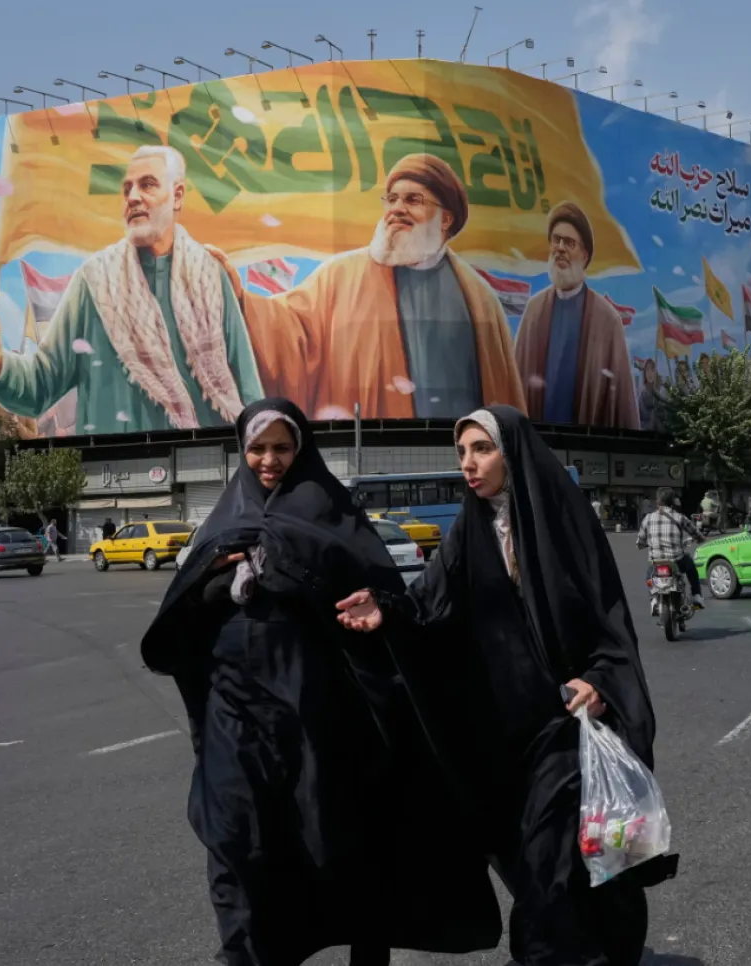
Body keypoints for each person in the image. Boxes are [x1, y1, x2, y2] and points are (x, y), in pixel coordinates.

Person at [140, 398, 500, 966]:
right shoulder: (222, 519)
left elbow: (385, 600)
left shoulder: (333, 513)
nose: (269, 460)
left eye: (282, 448)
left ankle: (366, 945)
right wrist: (208, 589)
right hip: (236, 715)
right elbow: (173, 633)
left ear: (301, 449)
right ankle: (248, 954)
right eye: (258, 448)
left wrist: (309, 583)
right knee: (235, 835)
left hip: (319, 715)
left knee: (335, 838)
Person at [336, 405, 676, 966]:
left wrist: (599, 682)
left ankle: (553, 956)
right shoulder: (469, 533)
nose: (469, 464)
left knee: (550, 859)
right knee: (549, 861)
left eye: (482, 449)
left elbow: (609, 624)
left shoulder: (564, 524)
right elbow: (429, 608)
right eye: (463, 452)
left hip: (566, 728)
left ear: (511, 452)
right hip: (503, 735)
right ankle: (600, 947)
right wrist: (385, 611)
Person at [0, 145, 263, 433]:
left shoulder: (211, 276)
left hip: (213, 470)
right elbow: (41, 385)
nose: (133, 197)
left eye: (147, 185)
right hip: (110, 474)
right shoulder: (94, 282)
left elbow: (250, 394)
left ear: (177, 196)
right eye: (126, 189)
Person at [241, 153, 525, 420]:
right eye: (391, 200)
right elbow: (287, 329)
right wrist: (234, 296)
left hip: (462, 455)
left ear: (446, 219)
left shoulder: (479, 297)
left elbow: (503, 396)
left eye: (413, 200)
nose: (397, 210)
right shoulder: (339, 276)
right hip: (367, 452)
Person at [513, 202, 639, 428]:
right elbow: (514, 390)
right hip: (536, 446)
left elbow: (620, 406)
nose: (560, 248)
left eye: (569, 243)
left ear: (585, 255)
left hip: (586, 450)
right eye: (556, 240)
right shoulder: (534, 311)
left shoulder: (606, 320)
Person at [637, 487, 705, 609]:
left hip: (656, 561)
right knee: (691, 568)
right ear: (673, 501)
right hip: (676, 561)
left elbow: (640, 542)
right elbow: (696, 534)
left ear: (657, 502)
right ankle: (696, 596)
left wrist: (645, 544)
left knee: (649, 575)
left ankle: (653, 599)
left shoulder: (648, 518)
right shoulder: (679, 517)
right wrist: (700, 539)